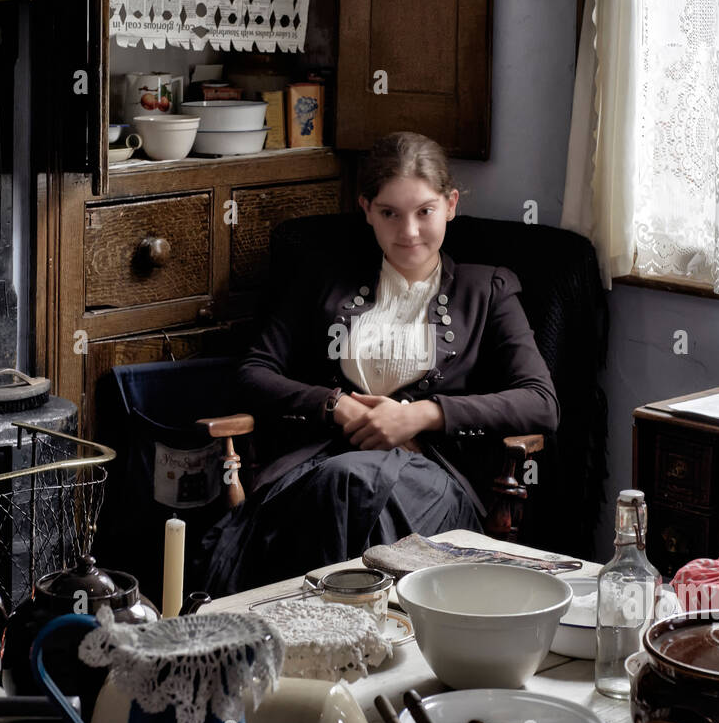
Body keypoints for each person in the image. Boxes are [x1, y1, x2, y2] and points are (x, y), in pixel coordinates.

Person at [202, 132, 560, 593]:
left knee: (360, 486)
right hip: (323, 467)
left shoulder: (487, 290)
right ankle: (354, 627)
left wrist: (420, 416)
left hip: (433, 476)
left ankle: (336, 622)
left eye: (424, 211)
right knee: (347, 482)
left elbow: (540, 402)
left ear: (450, 204)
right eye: (390, 213)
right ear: (366, 208)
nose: (409, 231)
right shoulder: (324, 282)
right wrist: (335, 405)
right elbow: (253, 374)